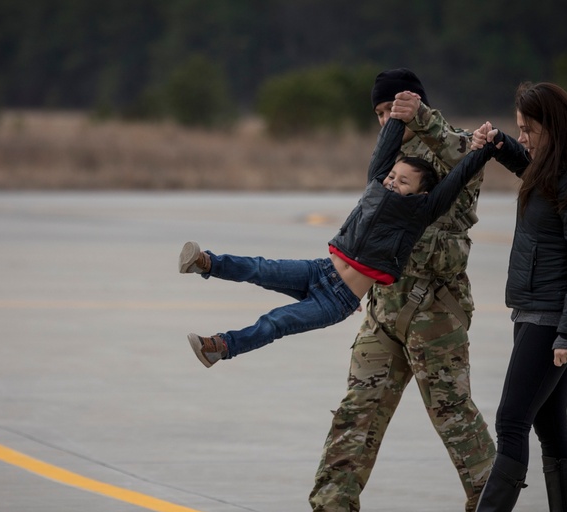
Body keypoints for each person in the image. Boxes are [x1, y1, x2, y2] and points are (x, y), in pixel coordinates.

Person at [263, 68, 514, 512]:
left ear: (416, 104)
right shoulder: (392, 161)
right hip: (385, 304)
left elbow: (462, 156)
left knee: (453, 415)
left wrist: (419, 116)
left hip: (435, 311)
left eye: (391, 111)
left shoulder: (454, 147)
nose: (385, 121)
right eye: (380, 114)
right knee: (359, 407)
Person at [431, 82, 567, 512]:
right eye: (519, 129)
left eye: (529, 130)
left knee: (512, 419)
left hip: (553, 318)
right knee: (549, 424)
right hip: (534, 312)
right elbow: (530, 171)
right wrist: (499, 145)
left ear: (552, 127)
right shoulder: (553, 170)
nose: (526, 138)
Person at [181, 104, 497, 368]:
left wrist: (481, 151)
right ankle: (205, 263)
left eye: (403, 182)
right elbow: (385, 148)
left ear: (421, 192)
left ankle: (220, 347)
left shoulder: (420, 212)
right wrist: (397, 115)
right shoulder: (376, 185)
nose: (392, 182)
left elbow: (455, 182)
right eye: (392, 176)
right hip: (320, 270)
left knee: (277, 321)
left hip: (338, 299)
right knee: (259, 268)